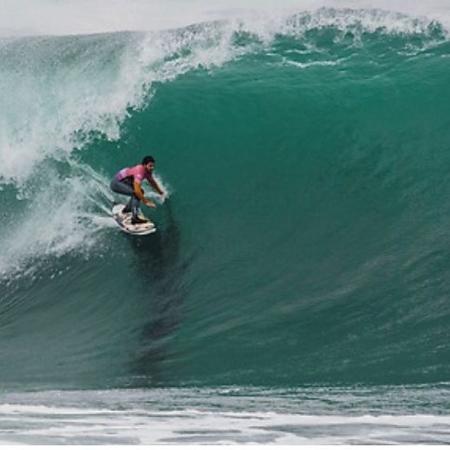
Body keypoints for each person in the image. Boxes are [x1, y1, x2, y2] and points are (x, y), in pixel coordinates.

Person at [110, 155, 165, 224]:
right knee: (137, 193)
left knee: (140, 192)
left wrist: (160, 192)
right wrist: (146, 202)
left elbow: (152, 182)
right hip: (116, 183)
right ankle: (134, 218)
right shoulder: (140, 171)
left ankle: (127, 210)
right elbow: (137, 190)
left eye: (153, 166)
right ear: (144, 165)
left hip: (124, 181)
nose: (152, 168)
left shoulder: (147, 171)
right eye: (150, 166)